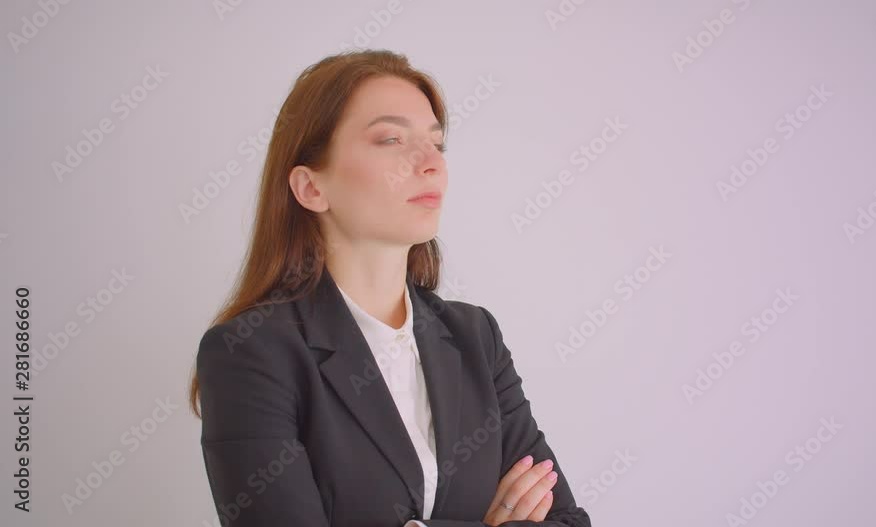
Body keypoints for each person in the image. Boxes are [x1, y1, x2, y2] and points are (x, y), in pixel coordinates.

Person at [188, 49, 591, 527]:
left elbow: (568, 521)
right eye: (391, 139)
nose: (430, 163)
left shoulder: (475, 336)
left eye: (436, 144)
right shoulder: (249, 352)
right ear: (311, 188)